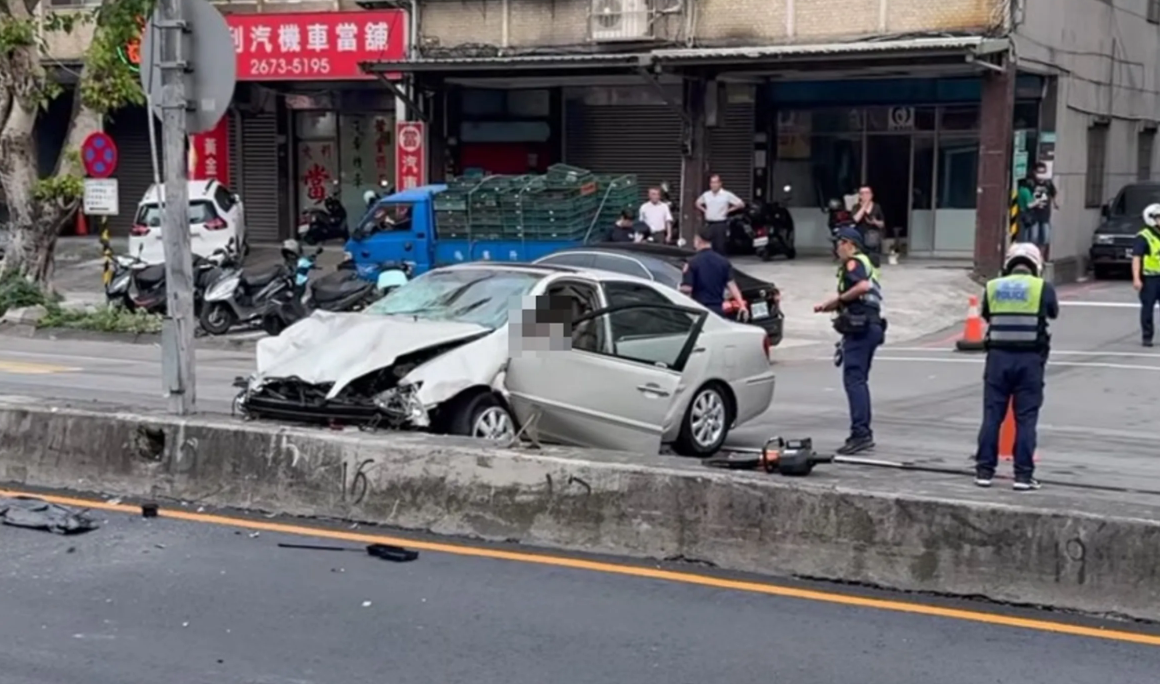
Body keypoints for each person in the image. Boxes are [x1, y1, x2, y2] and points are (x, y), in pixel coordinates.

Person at [974, 242, 1058, 491]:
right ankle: (1022, 476)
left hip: (998, 359)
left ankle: (984, 471)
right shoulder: (1042, 287)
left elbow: (987, 315)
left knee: (992, 417)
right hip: (1030, 360)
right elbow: (1052, 312)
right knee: (1026, 419)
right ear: (1036, 265)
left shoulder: (992, 286)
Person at [813, 227, 884, 456]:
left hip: (860, 328)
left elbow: (862, 287)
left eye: (838, 243)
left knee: (855, 381)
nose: (836, 248)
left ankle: (861, 434)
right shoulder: (865, 262)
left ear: (849, 244)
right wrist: (827, 306)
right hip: (869, 326)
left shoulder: (854, 263)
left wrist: (839, 299)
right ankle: (862, 433)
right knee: (858, 379)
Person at [680, 225, 748, 320]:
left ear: (698, 240)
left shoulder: (692, 263)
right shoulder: (723, 262)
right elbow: (732, 286)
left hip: (700, 311)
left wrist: (678, 289)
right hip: (718, 310)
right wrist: (742, 305)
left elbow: (687, 289)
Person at [1132, 203, 1160, 347]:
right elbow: (1136, 258)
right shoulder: (1144, 236)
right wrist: (1136, 278)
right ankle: (1147, 336)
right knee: (1147, 308)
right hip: (1150, 278)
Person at [695, 174, 744, 255]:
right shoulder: (707, 194)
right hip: (709, 224)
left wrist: (728, 210)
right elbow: (697, 203)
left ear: (720, 183)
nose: (713, 185)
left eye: (715, 182)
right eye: (712, 182)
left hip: (720, 224)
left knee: (720, 247)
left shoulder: (726, 194)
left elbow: (741, 204)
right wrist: (705, 210)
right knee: (708, 247)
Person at [1026, 162, 1058, 255]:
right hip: (1033, 215)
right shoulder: (1031, 183)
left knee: (1045, 238)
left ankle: (1041, 257)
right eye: (1039, 172)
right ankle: (1033, 255)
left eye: (1043, 172)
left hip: (1045, 215)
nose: (1041, 175)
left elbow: (1053, 193)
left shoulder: (1048, 184)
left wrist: (1055, 203)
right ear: (1034, 172)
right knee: (1034, 237)